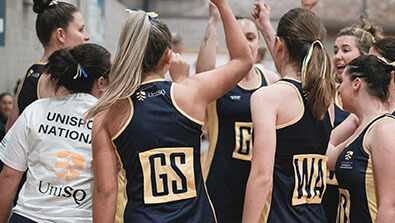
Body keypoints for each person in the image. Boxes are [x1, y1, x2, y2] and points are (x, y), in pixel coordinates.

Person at [86, 0, 252, 221]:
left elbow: (105, 192)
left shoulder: (107, 112)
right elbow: (243, 59)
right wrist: (221, 5)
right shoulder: (190, 92)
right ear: (167, 57)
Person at [243, 2, 335, 222]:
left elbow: (262, 176)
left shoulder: (267, 98)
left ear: (280, 45)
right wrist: (266, 27)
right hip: (315, 216)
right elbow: (290, 70)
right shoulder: (325, 98)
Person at [0, 43, 110, 223]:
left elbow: (9, 175)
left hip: (27, 217)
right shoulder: (107, 120)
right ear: (102, 82)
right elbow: (105, 191)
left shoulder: (35, 110)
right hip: (77, 218)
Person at [195, 3, 278, 222]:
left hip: (258, 183)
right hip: (220, 180)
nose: (243, 42)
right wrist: (213, 21)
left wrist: (266, 25)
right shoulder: (220, 81)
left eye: (250, 37)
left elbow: (290, 69)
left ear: (259, 44)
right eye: (238, 36)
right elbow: (202, 72)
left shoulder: (270, 81)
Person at [323, 17, 384, 222]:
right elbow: (327, 153)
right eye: (335, 50)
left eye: (346, 50)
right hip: (330, 199)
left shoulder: (381, 123)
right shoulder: (331, 97)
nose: (338, 56)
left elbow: (389, 204)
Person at [327, 54, 395, 222]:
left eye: (342, 82)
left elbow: (390, 206)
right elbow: (327, 157)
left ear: (356, 84)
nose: (339, 89)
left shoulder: (384, 129)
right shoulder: (362, 127)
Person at [6, 0, 90, 132]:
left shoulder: (29, 74)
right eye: (81, 29)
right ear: (61, 35)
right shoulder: (60, 78)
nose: (87, 37)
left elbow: (10, 129)